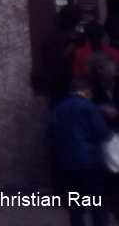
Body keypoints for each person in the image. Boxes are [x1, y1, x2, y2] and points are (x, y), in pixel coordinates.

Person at [50, 76, 111, 226]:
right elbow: (102, 132)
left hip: (67, 161)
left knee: (74, 200)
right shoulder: (88, 107)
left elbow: (52, 132)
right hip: (88, 159)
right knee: (96, 199)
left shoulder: (59, 107)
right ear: (86, 91)